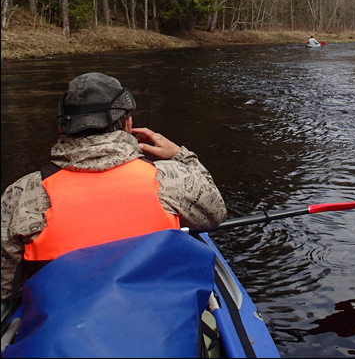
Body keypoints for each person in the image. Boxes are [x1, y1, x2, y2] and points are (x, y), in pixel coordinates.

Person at [1, 72, 227, 302]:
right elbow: (215, 214)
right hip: (157, 322)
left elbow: (5, 285)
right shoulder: (170, 179)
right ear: (128, 124)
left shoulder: (23, 193)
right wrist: (181, 155)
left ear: (62, 128)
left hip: (61, 327)